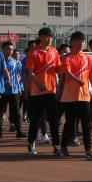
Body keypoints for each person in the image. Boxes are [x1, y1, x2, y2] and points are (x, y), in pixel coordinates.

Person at [57, 31, 92, 160]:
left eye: (83, 41)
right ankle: (63, 148)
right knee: (70, 123)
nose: (81, 43)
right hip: (70, 97)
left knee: (86, 124)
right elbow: (67, 73)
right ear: (72, 42)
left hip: (85, 96)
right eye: (78, 40)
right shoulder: (66, 57)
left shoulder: (87, 58)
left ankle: (88, 151)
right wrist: (78, 81)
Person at [23, 27, 60, 156]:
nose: (49, 39)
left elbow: (57, 70)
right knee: (35, 120)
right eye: (46, 36)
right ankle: (31, 143)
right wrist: (38, 85)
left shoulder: (54, 51)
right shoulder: (34, 52)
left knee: (54, 120)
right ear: (41, 37)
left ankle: (56, 146)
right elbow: (30, 72)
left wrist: (58, 86)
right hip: (37, 92)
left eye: (51, 37)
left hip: (51, 91)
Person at [1, 40, 23, 138]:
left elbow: (17, 75)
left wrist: (19, 87)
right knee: (0, 111)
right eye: (8, 49)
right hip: (2, 90)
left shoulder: (15, 62)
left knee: (16, 111)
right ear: (3, 49)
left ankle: (19, 130)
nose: (10, 51)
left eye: (11, 49)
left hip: (13, 90)